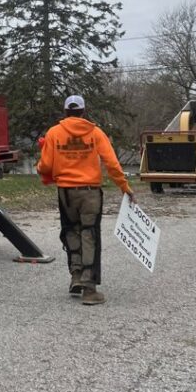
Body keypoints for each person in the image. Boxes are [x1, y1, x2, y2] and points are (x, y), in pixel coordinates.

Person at [37, 94, 134, 306]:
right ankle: (89, 289)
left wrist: (45, 168)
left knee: (71, 231)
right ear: (83, 111)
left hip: (66, 193)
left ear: (65, 112)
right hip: (90, 192)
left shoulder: (54, 133)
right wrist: (124, 187)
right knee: (89, 234)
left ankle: (75, 276)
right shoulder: (96, 133)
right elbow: (111, 163)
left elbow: (45, 166)